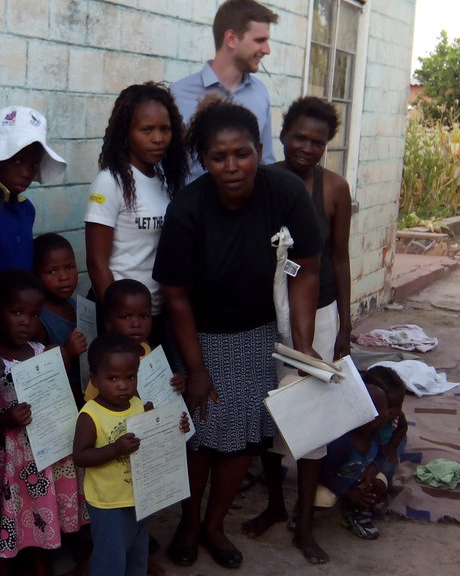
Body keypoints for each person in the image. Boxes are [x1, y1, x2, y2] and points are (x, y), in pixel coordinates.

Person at [153, 97, 322, 569]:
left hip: (257, 332)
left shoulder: (285, 192)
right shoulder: (189, 208)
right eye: (218, 157)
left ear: (259, 149)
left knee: (241, 436)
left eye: (242, 154)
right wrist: (197, 367)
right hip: (199, 331)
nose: (232, 166)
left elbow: (306, 270)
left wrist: (303, 346)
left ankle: (214, 525)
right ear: (203, 161)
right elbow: (177, 296)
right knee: (200, 436)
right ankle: (189, 522)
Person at [241, 96, 353, 564]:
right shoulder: (261, 181)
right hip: (265, 312)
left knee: (314, 416)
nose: (307, 148)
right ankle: (274, 503)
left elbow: (340, 257)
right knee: (272, 411)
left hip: (321, 310)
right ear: (283, 135)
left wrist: (346, 322)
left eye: (318, 141)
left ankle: (304, 523)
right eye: (299, 138)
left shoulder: (333, 189)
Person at [0, 269, 87, 575]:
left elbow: (58, 393)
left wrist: (66, 355)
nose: (26, 321)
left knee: (42, 519)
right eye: (16, 312)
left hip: (47, 455)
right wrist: (6, 418)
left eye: (34, 314)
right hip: (13, 460)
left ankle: (43, 568)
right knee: (13, 519)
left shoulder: (42, 352)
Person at [73, 332, 190, 576]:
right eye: (112, 378)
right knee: (110, 560)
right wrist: (115, 449)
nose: (123, 385)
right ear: (94, 380)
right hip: (108, 503)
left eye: (130, 377)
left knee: (137, 555)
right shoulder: (90, 415)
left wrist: (176, 427)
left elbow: (153, 438)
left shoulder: (138, 405)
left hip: (139, 496)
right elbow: (80, 457)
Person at [84, 83, 188, 346]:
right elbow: (97, 263)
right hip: (122, 319)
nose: (158, 138)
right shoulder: (111, 182)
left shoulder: (167, 180)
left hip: (154, 316)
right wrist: (118, 321)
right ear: (126, 133)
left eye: (165, 129)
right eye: (147, 130)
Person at [0, 105, 67, 312]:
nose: (26, 173)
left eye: (33, 165)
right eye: (17, 161)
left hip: (18, 322)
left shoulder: (26, 209)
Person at [170, 0, 278, 182]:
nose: (267, 50)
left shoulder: (260, 93)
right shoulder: (178, 94)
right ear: (231, 39)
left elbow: (265, 161)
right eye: (260, 40)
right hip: (190, 208)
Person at [318, 383, 391, 540]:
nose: (389, 412)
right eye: (386, 407)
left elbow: (380, 455)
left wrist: (372, 470)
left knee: (380, 484)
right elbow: (324, 474)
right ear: (374, 418)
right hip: (334, 483)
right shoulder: (341, 444)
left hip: (358, 478)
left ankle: (356, 513)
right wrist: (347, 493)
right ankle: (303, 512)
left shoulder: (374, 434)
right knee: (321, 499)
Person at [32, 232, 88, 407]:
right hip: (62, 401)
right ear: (35, 275)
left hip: (87, 391)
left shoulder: (74, 305)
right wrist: (67, 351)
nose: (64, 276)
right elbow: (37, 371)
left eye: (69, 267)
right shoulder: (39, 320)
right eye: (52, 271)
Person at [364, 366, 408, 483]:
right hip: (370, 448)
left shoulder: (396, 417)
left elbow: (403, 428)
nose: (395, 412)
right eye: (389, 407)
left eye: (399, 405)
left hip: (387, 444)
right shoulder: (364, 423)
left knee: (387, 468)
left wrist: (392, 447)